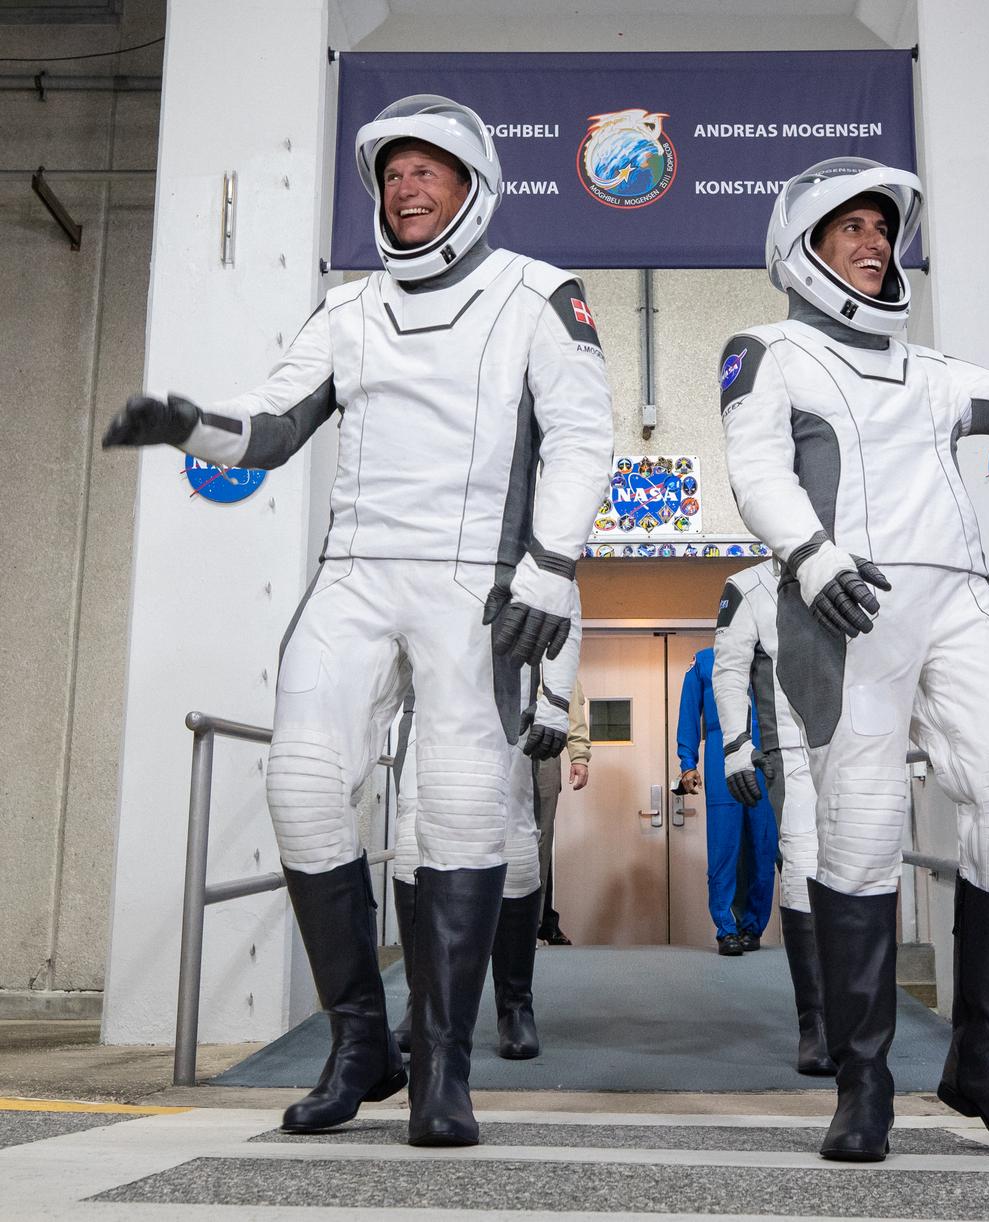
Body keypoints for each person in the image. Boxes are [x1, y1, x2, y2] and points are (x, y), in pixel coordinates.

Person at [103, 94, 613, 1147]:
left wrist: (550, 569)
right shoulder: (348, 309)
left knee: (461, 807)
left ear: (473, 188)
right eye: (391, 173)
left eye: (426, 170)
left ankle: (443, 1070)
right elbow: (274, 423)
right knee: (299, 784)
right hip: (354, 575)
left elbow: (580, 437)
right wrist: (189, 424)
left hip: (474, 583)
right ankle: (359, 1047)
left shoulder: (538, 294)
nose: (404, 187)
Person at [720, 160, 989, 1160]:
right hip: (846, 603)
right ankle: (863, 1084)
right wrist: (812, 559)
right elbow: (755, 470)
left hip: (957, 600)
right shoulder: (767, 351)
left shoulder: (933, 370)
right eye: (849, 227)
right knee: (857, 835)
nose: (873, 242)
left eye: (881, 228)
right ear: (802, 250)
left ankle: (979, 1059)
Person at [391, 594, 582, 1060]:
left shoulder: (525, 558)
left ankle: (515, 1005)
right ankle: (422, 1002)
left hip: (507, 706)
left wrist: (556, 705)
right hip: (427, 710)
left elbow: (563, 613)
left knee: (515, 846)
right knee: (410, 844)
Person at [712, 559, 834, 1077]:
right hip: (792, 749)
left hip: (861, 745)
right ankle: (817, 1025)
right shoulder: (749, 586)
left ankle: (859, 1024)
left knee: (864, 869)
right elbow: (729, 671)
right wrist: (736, 747)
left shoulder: (855, 566)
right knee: (803, 867)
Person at [676, 646, 777, 955]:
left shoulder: (770, 655)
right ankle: (726, 928)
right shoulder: (704, 660)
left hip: (767, 751)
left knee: (763, 846)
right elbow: (689, 711)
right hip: (721, 750)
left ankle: (752, 927)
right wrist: (688, 763)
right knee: (724, 845)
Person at [536, 679, 589, 946]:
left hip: (543, 750)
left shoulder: (555, 657)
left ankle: (532, 924)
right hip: (499, 748)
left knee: (540, 841)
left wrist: (579, 755)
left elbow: (572, 705)